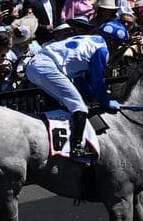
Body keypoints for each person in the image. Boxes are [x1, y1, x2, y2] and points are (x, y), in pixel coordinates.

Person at [24, 20, 131, 159]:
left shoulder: (91, 41)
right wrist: (106, 101)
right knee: (79, 106)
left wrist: (91, 97)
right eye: (118, 45)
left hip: (36, 66)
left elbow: (80, 79)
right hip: (45, 67)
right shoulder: (102, 50)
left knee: (67, 103)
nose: (118, 49)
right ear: (112, 42)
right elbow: (99, 83)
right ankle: (76, 148)